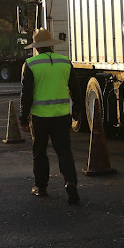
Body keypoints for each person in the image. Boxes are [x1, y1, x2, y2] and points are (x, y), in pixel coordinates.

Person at [19, 28, 83, 204]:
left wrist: (23, 118)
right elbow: (76, 89)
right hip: (62, 116)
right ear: (51, 44)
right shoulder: (65, 62)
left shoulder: (31, 64)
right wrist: (77, 110)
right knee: (64, 152)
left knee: (39, 153)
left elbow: (26, 94)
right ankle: (70, 182)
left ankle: (41, 187)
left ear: (37, 47)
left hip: (39, 118)